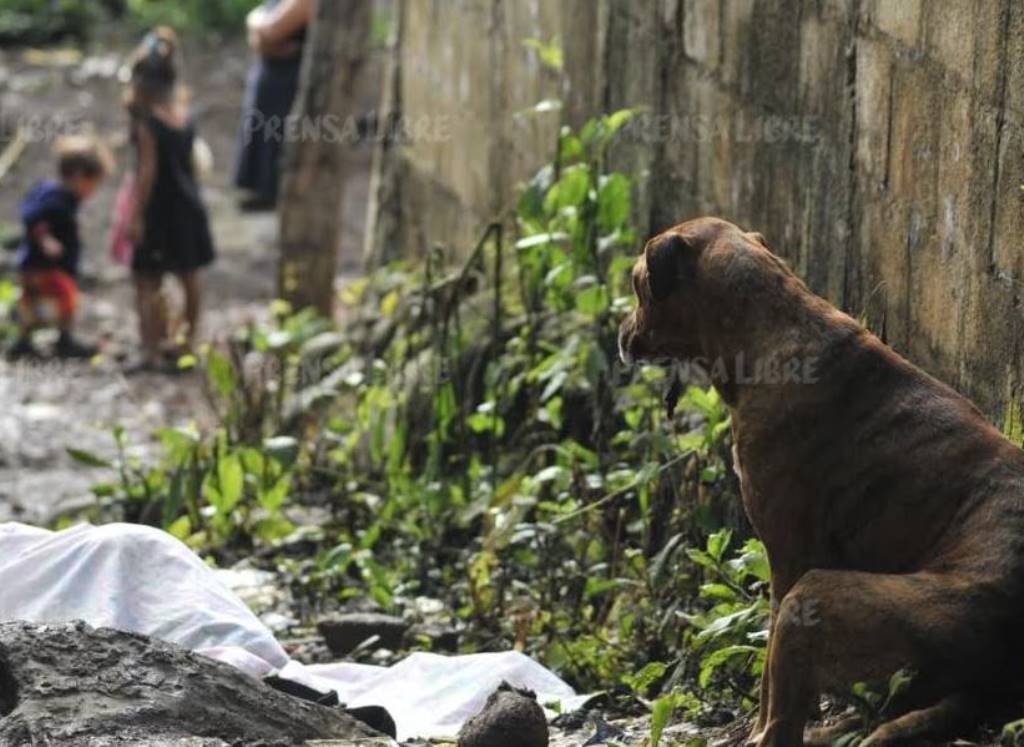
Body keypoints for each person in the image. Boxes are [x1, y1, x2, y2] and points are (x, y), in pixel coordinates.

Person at [125, 27, 216, 372]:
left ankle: (150, 349)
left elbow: (146, 172)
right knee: (190, 277)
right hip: (189, 206)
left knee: (146, 280)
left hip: (159, 209)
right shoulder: (184, 116)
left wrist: (136, 215)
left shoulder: (147, 121)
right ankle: (186, 346)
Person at [8, 135, 113, 360]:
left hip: (31, 264)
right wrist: (46, 240)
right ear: (78, 177)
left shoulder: (48, 190)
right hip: (47, 266)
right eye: (93, 184)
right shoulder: (58, 198)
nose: (93, 191)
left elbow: (29, 209)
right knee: (67, 299)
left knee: (31, 302)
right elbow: (33, 217)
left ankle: (23, 342)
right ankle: (64, 340)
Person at [234, 0, 315, 211]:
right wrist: (257, 27)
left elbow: (271, 31)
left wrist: (259, 28)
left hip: (288, 84)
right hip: (273, 79)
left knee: (277, 140)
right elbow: (258, 28)